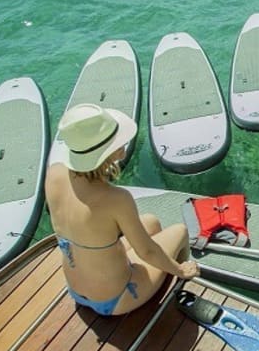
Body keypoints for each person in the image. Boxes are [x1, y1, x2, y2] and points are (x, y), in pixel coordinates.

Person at [45, 103, 199, 316]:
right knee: (180, 232)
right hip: (117, 297)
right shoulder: (116, 199)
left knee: (151, 221)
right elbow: (147, 252)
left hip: (76, 290)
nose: (123, 144)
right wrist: (180, 269)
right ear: (105, 153)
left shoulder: (55, 172)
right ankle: (180, 295)